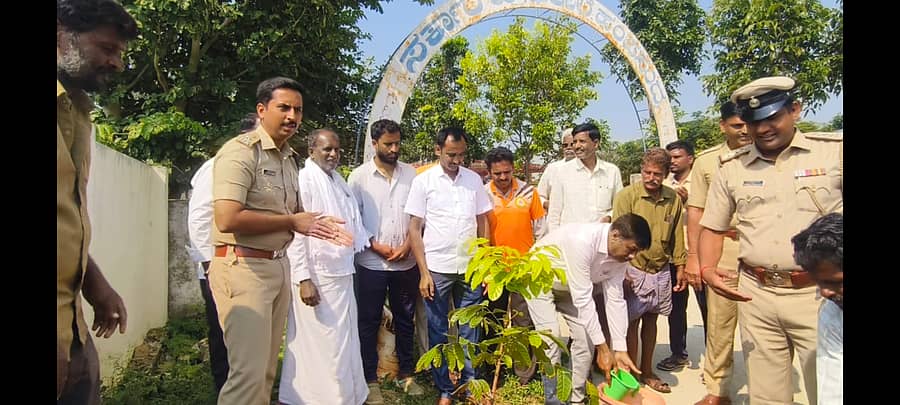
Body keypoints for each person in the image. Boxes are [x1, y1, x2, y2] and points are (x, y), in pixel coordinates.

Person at [699, 76, 842, 405]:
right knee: (767, 396)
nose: (762, 129)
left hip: (819, 297)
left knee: (830, 391)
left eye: (771, 118)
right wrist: (707, 269)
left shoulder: (833, 154)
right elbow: (712, 225)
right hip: (757, 296)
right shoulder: (731, 167)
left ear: (795, 110)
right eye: (752, 122)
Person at [209, 77, 352, 405]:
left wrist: (313, 223)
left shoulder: (287, 158)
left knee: (265, 372)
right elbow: (227, 218)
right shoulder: (240, 153)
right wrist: (292, 221)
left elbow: (292, 212)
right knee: (247, 374)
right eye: (284, 107)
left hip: (276, 266)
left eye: (298, 110)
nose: (292, 116)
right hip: (243, 267)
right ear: (262, 110)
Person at [57, 1, 137, 402]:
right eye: (107, 48)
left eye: (119, 53)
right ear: (61, 35)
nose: (117, 63)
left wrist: (94, 282)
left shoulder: (76, 111)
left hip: (72, 327)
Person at [279, 129, 371, 404]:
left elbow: (351, 222)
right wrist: (304, 278)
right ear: (311, 151)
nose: (333, 154)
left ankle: (346, 396)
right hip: (317, 277)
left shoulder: (337, 180)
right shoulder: (305, 180)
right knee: (322, 348)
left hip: (341, 273)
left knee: (343, 344)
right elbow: (297, 232)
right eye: (327, 149)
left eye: (336, 149)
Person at [406, 127, 493, 405]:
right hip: (437, 268)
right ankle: (445, 388)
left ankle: (469, 385)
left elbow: (483, 222)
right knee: (438, 329)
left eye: (461, 155)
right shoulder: (424, 181)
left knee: (470, 330)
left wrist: (484, 264)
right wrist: (423, 273)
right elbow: (414, 228)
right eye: (451, 155)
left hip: (470, 269)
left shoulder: (473, 180)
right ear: (437, 150)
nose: (457, 160)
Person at [525, 215, 648, 404]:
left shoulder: (620, 257)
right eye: (631, 249)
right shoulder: (582, 241)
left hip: (568, 287)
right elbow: (583, 299)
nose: (632, 257)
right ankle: (552, 399)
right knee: (551, 339)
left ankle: (577, 398)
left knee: (585, 340)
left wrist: (620, 349)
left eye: (636, 252)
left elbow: (616, 301)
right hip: (538, 281)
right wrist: (604, 349)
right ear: (615, 235)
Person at [348, 119, 424, 404]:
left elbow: (419, 216)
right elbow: (353, 220)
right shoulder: (358, 177)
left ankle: (406, 374)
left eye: (397, 144)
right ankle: (369, 379)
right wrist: (375, 245)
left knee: (406, 319)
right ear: (374, 144)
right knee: (367, 321)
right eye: (387, 144)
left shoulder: (412, 175)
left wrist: (408, 244)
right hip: (371, 263)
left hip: (405, 263)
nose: (394, 149)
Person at [186, 113, 258, 395]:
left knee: (247, 334)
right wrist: (209, 263)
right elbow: (200, 216)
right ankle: (224, 390)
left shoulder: (252, 168)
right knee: (223, 331)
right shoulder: (217, 166)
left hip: (246, 266)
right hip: (217, 265)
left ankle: (249, 392)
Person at [684, 101, 751, 405]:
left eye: (748, 123)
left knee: (762, 328)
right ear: (723, 126)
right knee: (720, 325)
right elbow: (695, 211)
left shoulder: (767, 154)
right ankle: (718, 391)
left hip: (760, 250)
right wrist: (695, 257)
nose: (746, 130)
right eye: (737, 125)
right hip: (722, 249)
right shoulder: (709, 162)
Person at [612, 147, 687, 394]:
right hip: (633, 268)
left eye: (657, 174)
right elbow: (618, 237)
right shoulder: (627, 196)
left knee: (652, 320)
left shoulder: (673, 199)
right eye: (647, 172)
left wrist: (680, 267)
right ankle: (631, 371)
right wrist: (620, 270)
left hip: (660, 269)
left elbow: (676, 234)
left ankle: (647, 371)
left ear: (666, 174)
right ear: (641, 170)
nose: (651, 178)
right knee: (631, 323)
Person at [482, 146, 546, 384]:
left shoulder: (530, 192)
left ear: (514, 169)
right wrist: (486, 271)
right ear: (489, 172)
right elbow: (479, 234)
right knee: (492, 320)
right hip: (494, 271)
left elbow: (541, 231)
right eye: (497, 173)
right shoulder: (483, 194)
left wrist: (534, 264)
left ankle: (524, 375)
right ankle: (490, 371)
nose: (502, 178)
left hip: (523, 270)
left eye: (507, 172)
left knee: (523, 322)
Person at [656, 140, 706, 373]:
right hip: (674, 257)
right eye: (670, 157)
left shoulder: (703, 182)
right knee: (676, 309)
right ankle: (678, 353)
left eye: (677, 157)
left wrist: (689, 203)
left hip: (701, 256)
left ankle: (715, 361)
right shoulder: (664, 184)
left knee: (709, 310)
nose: (673, 161)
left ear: (690, 159)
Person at [791, 213, 842, 405]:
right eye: (819, 283)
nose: (826, 292)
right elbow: (833, 392)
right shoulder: (833, 314)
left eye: (835, 282)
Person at [546, 122, 623, 231]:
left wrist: (609, 217)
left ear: (595, 143)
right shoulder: (562, 172)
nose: (577, 146)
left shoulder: (612, 172)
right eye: (575, 142)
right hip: (570, 241)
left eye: (582, 141)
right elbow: (554, 213)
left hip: (602, 239)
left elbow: (620, 206)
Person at [536, 128, 575, 211]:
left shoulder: (588, 169)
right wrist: (547, 204)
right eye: (565, 145)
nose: (568, 148)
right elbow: (538, 196)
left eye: (572, 144)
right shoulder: (552, 169)